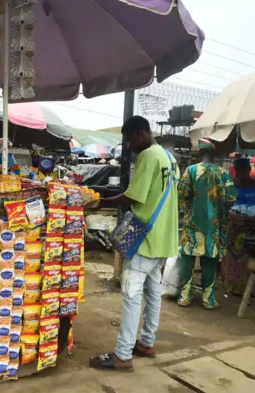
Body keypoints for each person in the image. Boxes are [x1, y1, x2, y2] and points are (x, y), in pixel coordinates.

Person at [90, 116, 179, 372]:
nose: (128, 146)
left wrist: (100, 201)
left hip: (144, 239)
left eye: (129, 140)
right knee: (153, 294)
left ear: (139, 133)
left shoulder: (149, 156)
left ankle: (122, 353)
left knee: (131, 295)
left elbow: (133, 196)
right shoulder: (169, 157)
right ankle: (147, 342)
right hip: (164, 238)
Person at [177, 138, 236, 310]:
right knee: (210, 260)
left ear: (201, 153)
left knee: (188, 258)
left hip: (192, 223)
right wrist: (217, 204)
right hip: (213, 224)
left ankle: (184, 297)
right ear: (214, 154)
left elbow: (181, 194)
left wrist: (190, 206)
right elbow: (231, 197)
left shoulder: (191, 170)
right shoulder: (222, 173)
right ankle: (208, 300)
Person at [221, 158, 255, 295]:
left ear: (249, 170)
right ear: (236, 171)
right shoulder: (231, 188)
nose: (241, 173)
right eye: (238, 170)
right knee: (232, 256)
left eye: (245, 170)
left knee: (248, 257)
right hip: (233, 229)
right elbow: (225, 207)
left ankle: (247, 287)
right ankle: (231, 284)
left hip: (252, 229)